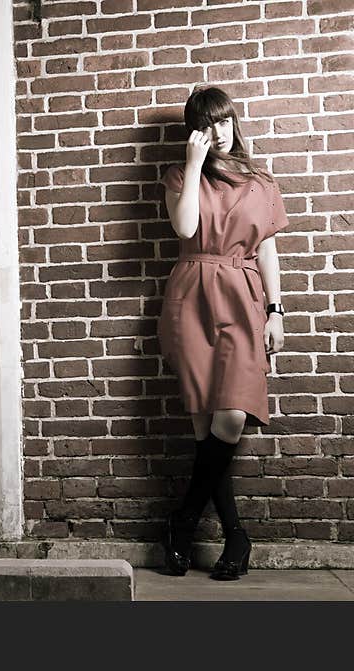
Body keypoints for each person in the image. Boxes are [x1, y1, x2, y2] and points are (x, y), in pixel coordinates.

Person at [156, 86, 290, 581]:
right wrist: (192, 166)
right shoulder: (179, 176)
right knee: (203, 427)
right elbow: (185, 228)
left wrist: (276, 310)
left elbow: (268, 250)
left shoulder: (261, 180)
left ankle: (183, 522)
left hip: (242, 295)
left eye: (226, 121)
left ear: (236, 122)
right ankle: (235, 535)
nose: (220, 131)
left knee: (230, 417)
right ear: (196, 131)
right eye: (209, 124)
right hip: (191, 297)